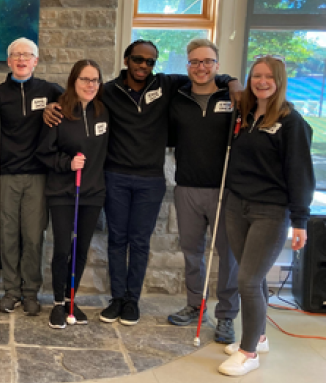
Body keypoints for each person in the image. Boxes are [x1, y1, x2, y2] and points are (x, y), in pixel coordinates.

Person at [44, 40, 240, 326]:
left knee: (139, 242)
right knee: (117, 240)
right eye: (138, 60)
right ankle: (116, 299)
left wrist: (232, 82)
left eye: (150, 62)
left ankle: (132, 301)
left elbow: (204, 74)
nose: (144, 66)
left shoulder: (166, 84)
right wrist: (53, 105)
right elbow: (80, 94)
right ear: (126, 60)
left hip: (150, 180)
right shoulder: (108, 91)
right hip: (116, 177)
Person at [218, 55, 314, 376]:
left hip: (270, 212)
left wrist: (300, 220)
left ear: (280, 80)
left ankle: (248, 353)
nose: (261, 81)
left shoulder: (291, 122)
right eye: (256, 75)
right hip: (236, 205)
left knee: (248, 280)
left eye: (268, 77)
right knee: (251, 276)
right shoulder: (244, 115)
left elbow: (300, 174)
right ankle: (257, 337)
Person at [166, 39, 239, 344]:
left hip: (224, 190)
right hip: (187, 189)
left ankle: (226, 316)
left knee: (228, 255)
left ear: (217, 65)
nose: (201, 67)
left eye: (207, 61)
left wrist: (231, 82)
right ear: (187, 66)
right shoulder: (178, 98)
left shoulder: (233, 98)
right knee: (192, 252)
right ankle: (196, 306)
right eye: (195, 62)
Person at [0, 37, 62, 316]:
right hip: (6, 175)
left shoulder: (51, 91)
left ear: (35, 61)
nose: (21, 59)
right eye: (16, 55)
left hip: (38, 176)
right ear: (8, 61)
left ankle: (31, 292)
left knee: (33, 236)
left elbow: (74, 111)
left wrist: (56, 108)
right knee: (7, 236)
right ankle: (11, 291)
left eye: (27, 55)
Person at [36, 60, 109, 329]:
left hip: (92, 192)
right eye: (84, 79)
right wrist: (67, 163)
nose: (90, 85)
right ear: (73, 81)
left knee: (81, 250)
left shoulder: (103, 112)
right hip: (63, 192)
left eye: (95, 80)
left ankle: (71, 298)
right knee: (63, 249)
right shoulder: (58, 112)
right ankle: (57, 302)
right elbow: (44, 152)